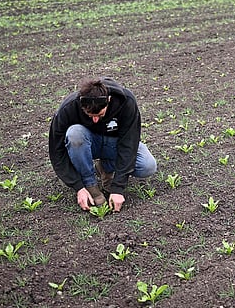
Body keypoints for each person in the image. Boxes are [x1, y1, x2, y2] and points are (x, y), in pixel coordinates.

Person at [49, 76, 157, 212]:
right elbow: (56, 151)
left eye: (99, 115)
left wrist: (118, 188)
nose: (94, 120)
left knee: (147, 165)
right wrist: (78, 186)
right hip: (86, 145)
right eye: (89, 115)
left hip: (114, 143)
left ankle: (105, 167)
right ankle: (90, 185)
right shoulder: (68, 108)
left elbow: (129, 143)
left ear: (109, 101)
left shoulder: (126, 102)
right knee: (74, 133)